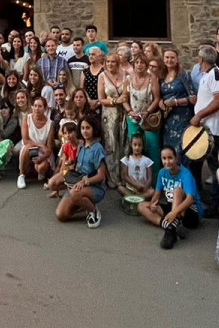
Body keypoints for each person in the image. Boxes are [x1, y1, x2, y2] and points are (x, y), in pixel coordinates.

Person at [188, 45, 219, 213]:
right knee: (196, 162)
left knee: (214, 168)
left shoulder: (216, 75)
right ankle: (199, 197)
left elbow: (218, 100)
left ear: (200, 59)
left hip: (212, 129)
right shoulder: (209, 75)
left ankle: (214, 204)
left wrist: (199, 115)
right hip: (205, 129)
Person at [140, 145, 203, 249]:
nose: (167, 162)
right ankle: (170, 226)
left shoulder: (185, 174)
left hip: (190, 212)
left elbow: (190, 199)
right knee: (142, 206)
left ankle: (170, 231)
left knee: (177, 190)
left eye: (170, 158)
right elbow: (157, 194)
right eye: (164, 158)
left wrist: (174, 213)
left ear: (176, 158)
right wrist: (153, 205)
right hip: (173, 208)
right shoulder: (162, 173)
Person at [55, 116, 108, 229]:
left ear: (94, 129)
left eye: (88, 128)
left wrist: (85, 182)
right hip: (78, 184)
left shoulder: (97, 148)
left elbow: (101, 175)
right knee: (61, 215)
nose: (85, 131)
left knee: (74, 193)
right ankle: (82, 203)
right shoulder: (81, 146)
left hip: (94, 187)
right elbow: (79, 166)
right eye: (83, 128)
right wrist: (70, 165)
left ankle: (93, 211)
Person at [96, 51, 127, 185]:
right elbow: (101, 99)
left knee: (124, 143)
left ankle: (124, 175)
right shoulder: (102, 76)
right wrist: (116, 101)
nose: (110, 64)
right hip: (109, 115)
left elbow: (126, 95)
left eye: (113, 62)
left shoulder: (126, 75)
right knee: (111, 144)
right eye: (108, 62)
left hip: (123, 113)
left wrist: (121, 101)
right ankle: (112, 177)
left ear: (118, 63)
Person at [157, 48, 194, 154]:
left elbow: (193, 98)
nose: (169, 60)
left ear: (177, 59)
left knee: (180, 149)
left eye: (172, 57)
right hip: (167, 119)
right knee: (168, 149)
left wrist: (176, 102)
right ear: (163, 60)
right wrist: (160, 101)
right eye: (167, 57)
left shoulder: (183, 75)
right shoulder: (162, 76)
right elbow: (159, 94)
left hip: (182, 119)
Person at [16, 95, 55, 188]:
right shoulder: (27, 118)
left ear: (45, 108)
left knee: (41, 167)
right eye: (35, 106)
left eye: (40, 106)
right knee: (27, 147)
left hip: (42, 152)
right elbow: (25, 140)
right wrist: (40, 145)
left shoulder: (50, 124)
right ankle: (21, 176)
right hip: (30, 147)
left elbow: (49, 148)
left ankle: (40, 171)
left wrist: (42, 158)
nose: (37, 109)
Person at [46, 119, 81, 196]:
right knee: (51, 183)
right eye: (65, 133)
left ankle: (73, 189)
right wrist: (63, 175)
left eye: (70, 132)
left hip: (80, 172)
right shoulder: (65, 146)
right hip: (69, 170)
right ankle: (68, 187)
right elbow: (63, 165)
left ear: (76, 132)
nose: (68, 135)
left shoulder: (81, 145)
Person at [118, 133, 154, 200]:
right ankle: (138, 199)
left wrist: (145, 188)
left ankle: (134, 199)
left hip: (143, 189)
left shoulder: (147, 160)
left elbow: (150, 178)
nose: (137, 147)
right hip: (130, 189)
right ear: (131, 145)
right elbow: (125, 176)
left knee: (152, 192)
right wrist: (134, 184)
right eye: (135, 145)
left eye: (139, 145)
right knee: (120, 188)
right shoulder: (127, 159)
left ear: (143, 146)